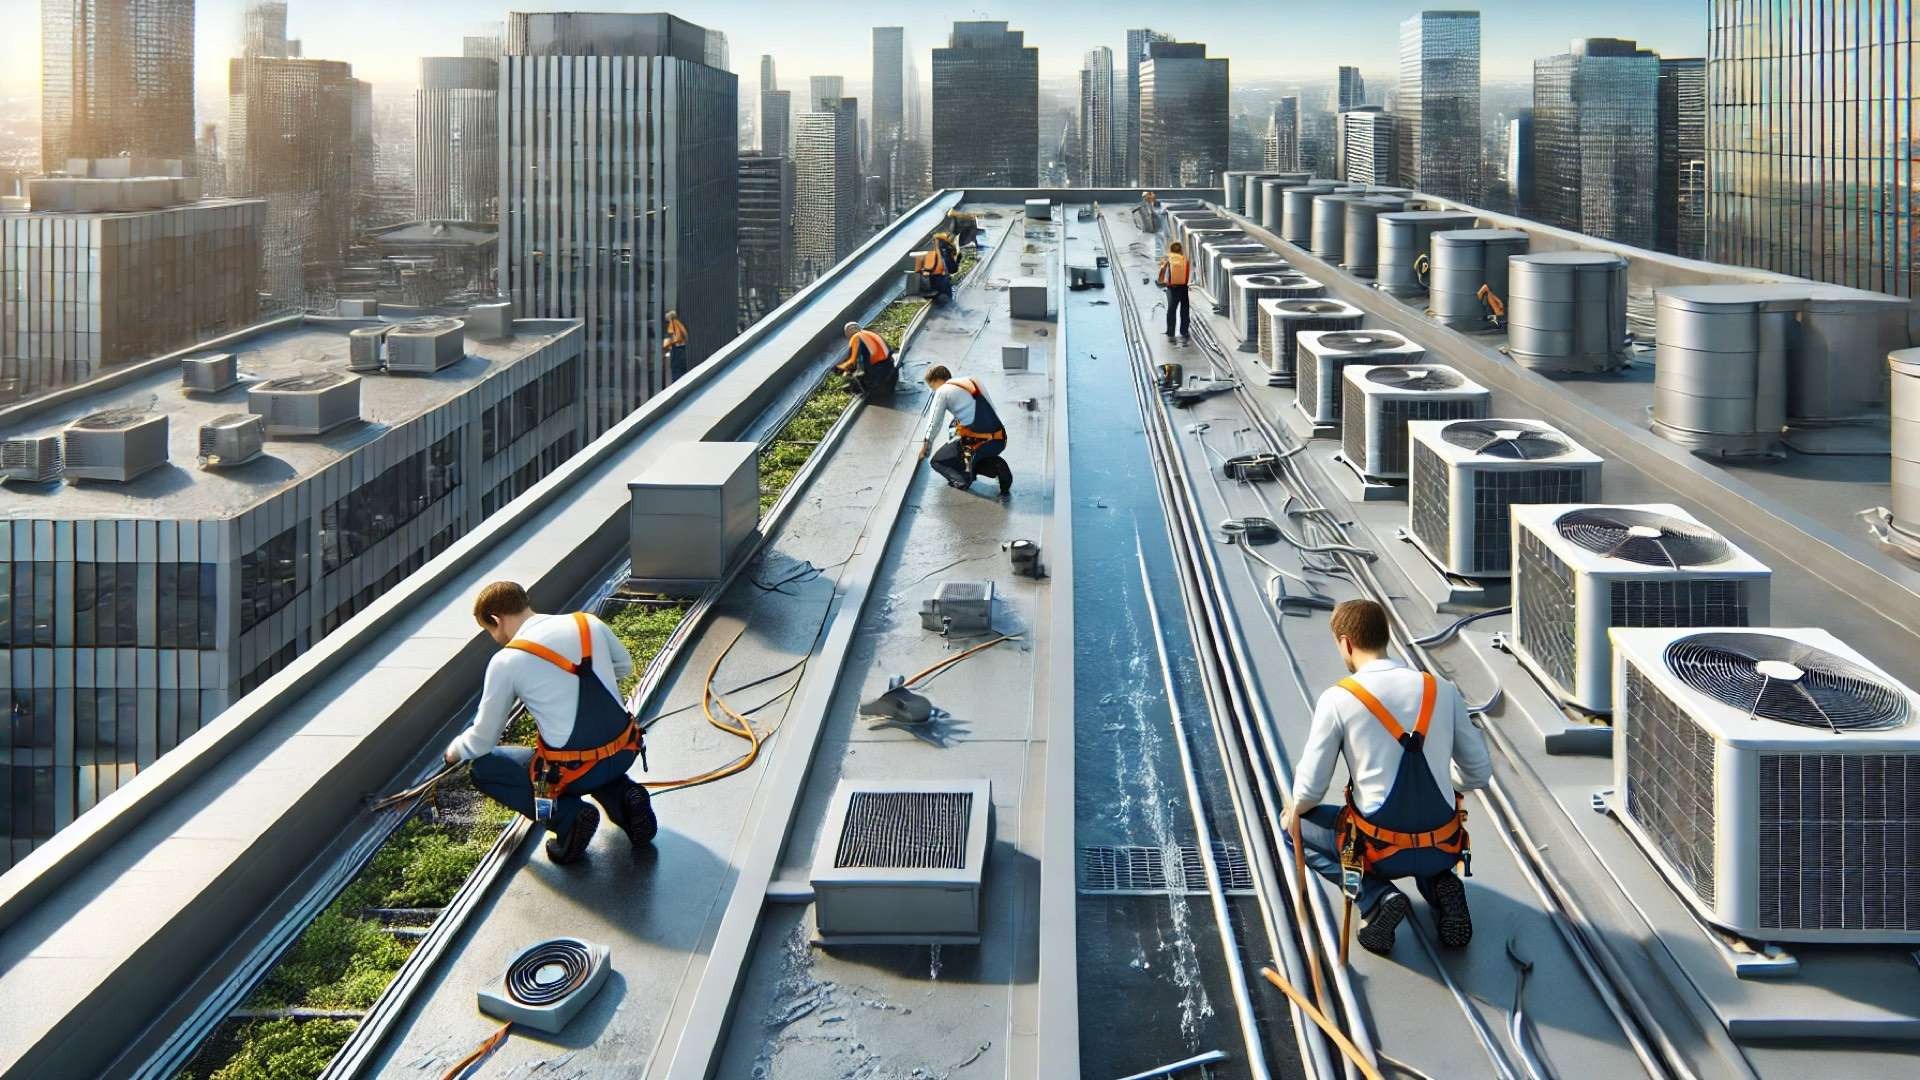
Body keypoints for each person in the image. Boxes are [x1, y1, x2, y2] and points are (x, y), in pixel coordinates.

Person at [1282, 599, 1489, 956]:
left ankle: (1378, 898)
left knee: (1292, 831)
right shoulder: (1441, 688)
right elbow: (1479, 772)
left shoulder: (1339, 699)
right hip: (1442, 844)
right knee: (1423, 823)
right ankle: (1441, 883)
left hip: (1378, 850)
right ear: (1385, 636)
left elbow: (1311, 790)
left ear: (1346, 643)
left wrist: (1292, 812)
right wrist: (1447, 783)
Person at [446, 582, 657, 865]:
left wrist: (453, 753)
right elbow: (624, 667)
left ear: (495, 619)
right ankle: (625, 797)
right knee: (588, 751)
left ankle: (567, 817)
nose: (496, 639)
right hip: (623, 753)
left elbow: (483, 740)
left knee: (485, 768)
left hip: (571, 772)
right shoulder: (587, 623)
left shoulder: (506, 660)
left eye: (491, 631)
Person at [920, 364, 1012, 498]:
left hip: (976, 442)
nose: (933, 391)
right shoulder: (972, 381)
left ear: (936, 381)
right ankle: (996, 466)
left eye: (932, 387)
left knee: (938, 461)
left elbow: (934, 422)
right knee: (971, 455)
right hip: (998, 440)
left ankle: (961, 480)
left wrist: (926, 447)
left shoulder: (943, 391)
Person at [836, 321, 896, 396]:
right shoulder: (870, 334)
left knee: (854, 380)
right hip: (890, 365)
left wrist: (840, 369)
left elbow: (854, 361)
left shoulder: (856, 338)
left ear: (848, 333)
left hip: (879, 372)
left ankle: (872, 388)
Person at [1158, 241, 1192, 343]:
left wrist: (1160, 280)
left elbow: (1162, 270)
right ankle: (1184, 331)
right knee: (1184, 310)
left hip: (1172, 288)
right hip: (1184, 287)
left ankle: (1171, 331)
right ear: (1180, 249)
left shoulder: (1168, 259)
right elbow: (1188, 274)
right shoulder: (1184, 259)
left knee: (1172, 310)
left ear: (1171, 249)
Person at [663, 310, 689, 381]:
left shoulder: (673, 323)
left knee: (676, 370)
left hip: (676, 349)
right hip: (682, 348)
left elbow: (673, 337)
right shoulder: (678, 323)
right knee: (681, 370)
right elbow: (685, 334)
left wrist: (665, 346)